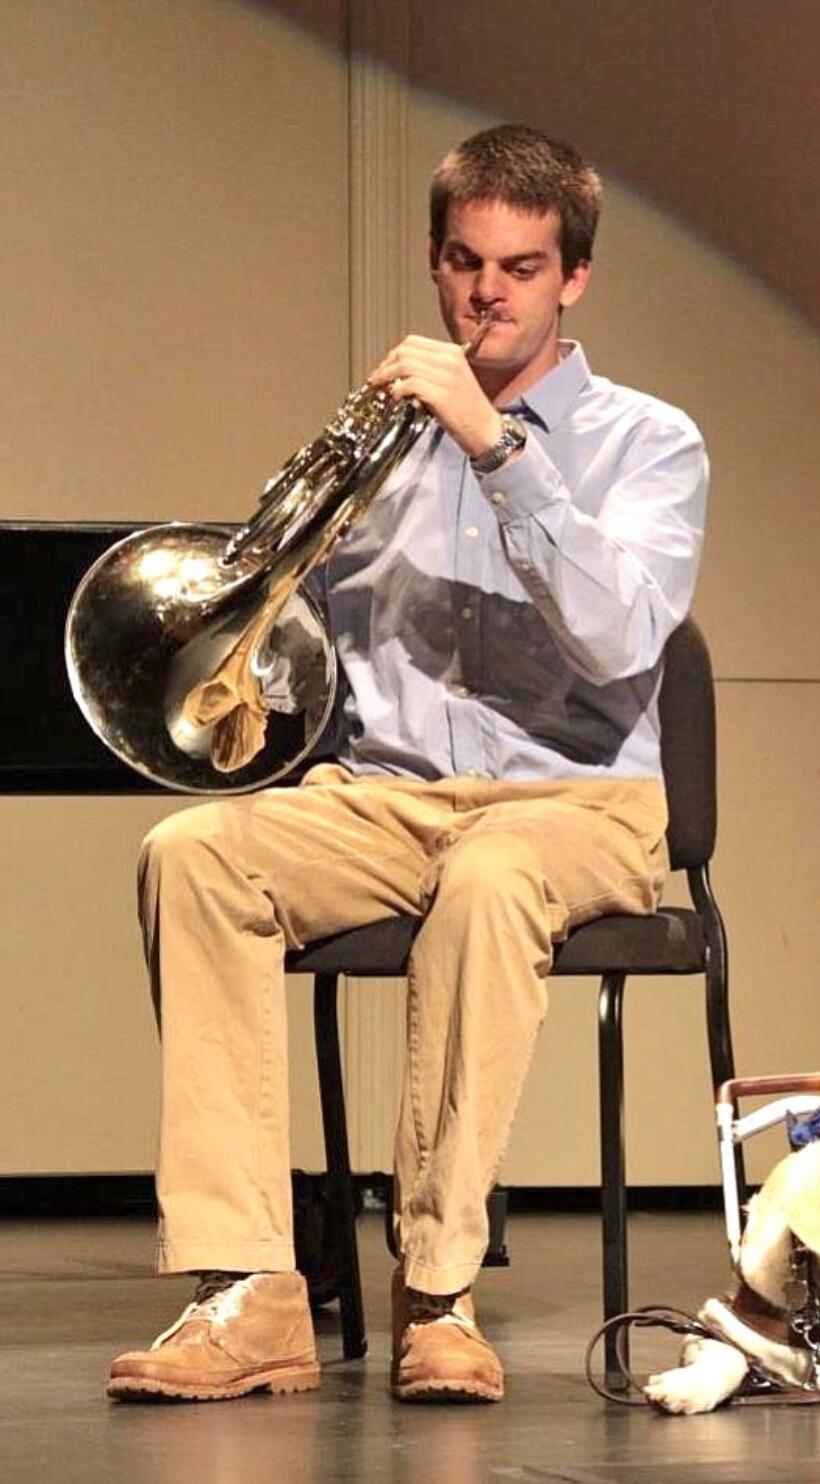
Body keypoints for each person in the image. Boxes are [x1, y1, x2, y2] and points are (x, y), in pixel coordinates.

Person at [106, 124, 708, 1405]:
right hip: (384, 798)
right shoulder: (378, 448)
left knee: (490, 878)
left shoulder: (649, 443)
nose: (489, 291)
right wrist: (244, 674)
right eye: (464, 261)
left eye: (522, 266)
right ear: (437, 266)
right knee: (194, 852)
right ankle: (251, 1287)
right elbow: (299, 641)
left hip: (577, 798)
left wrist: (497, 446)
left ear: (573, 279)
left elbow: (616, 636)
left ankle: (438, 1289)